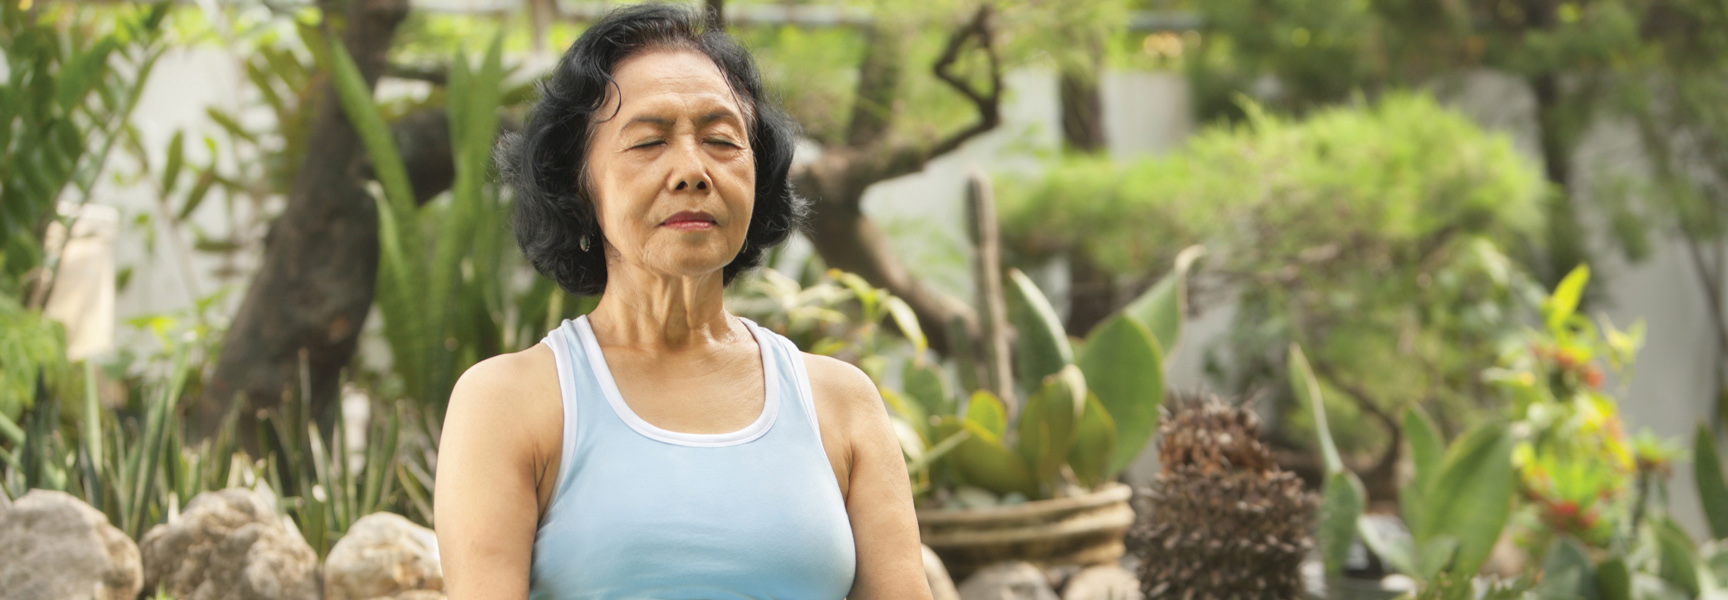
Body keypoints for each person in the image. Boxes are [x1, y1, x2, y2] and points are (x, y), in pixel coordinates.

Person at [433, 4, 932, 599]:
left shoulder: (841, 404)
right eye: (649, 141)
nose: (692, 170)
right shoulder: (511, 402)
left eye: (722, 140)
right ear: (578, 181)